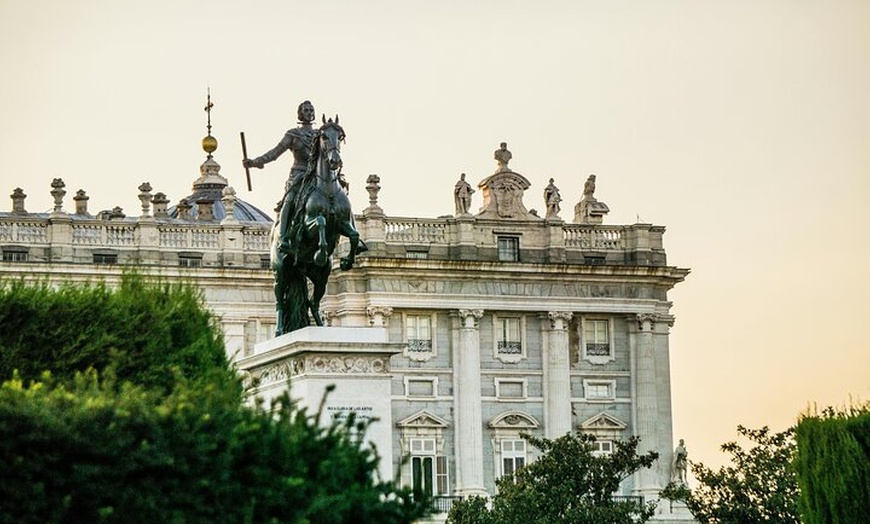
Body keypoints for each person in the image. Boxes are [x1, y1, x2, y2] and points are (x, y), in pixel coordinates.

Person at [243, 100, 318, 253]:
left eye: (311, 110)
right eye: (306, 110)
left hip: (316, 174)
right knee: (289, 200)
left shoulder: (320, 135)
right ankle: (283, 236)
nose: (309, 113)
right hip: (299, 173)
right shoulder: (293, 134)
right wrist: (255, 162)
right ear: (300, 114)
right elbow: (275, 152)